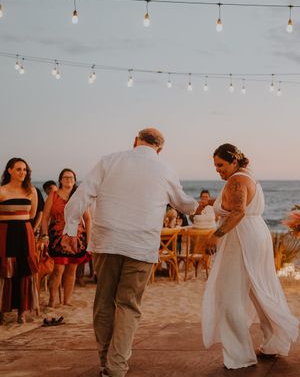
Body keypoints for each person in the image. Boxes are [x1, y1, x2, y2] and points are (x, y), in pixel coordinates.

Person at [61, 128, 200, 377]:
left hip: (107, 241)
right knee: (128, 305)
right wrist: (200, 206)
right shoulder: (165, 169)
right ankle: (116, 367)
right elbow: (182, 203)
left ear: (135, 141)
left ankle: (106, 361)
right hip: (141, 246)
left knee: (104, 301)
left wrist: (70, 228)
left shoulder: (110, 160)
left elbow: (82, 193)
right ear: (160, 149)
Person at [202, 143, 299, 370]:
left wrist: (215, 235)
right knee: (259, 289)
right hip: (255, 234)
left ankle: (239, 355)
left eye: (221, 165)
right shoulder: (246, 177)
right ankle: (275, 341)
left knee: (229, 295)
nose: (218, 170)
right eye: (215, 166)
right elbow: (236, 202)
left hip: (241, 238)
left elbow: (238, 211)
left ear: (234, 161)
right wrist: (209, 202)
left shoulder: (236, 180)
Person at [40, 168, 91, 307]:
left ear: (74, 180)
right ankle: (52, 301)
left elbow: (87, 218)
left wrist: (90, 240)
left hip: (77, 238)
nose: (68, 180)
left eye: (71, 177)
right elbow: (45, 218)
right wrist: (44, 235)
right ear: (60, 180)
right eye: (65, 177)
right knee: (58, 270)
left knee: (72, 269)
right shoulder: (53, 195)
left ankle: (67, 301)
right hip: (57, 237)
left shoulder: (80, 196)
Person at [0, 158, 39, 324]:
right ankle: (1, 311)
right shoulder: (1, 190)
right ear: (9, 170)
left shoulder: (32, 191)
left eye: (24, 169)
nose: (22, 172)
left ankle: (22, 312)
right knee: (4, 269)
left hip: (25, 232)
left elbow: (32, 215)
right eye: (18, 169)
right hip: (5, 232)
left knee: (25, 270)